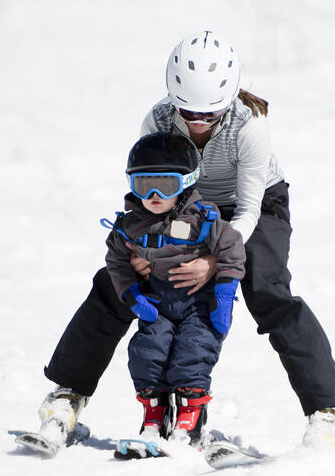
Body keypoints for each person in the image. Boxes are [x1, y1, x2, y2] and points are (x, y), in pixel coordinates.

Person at [37, 30, 335, 448]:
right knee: (118, 285)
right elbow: (149, 189)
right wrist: (139, 249)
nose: (199, 121)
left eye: (210, 113)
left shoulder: (250, 125)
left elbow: (247, 209)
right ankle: (68, 395)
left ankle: (329, 410)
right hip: (180, 202)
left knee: (266, 288)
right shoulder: (157, 120)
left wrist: (214, 261)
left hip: (253, 205)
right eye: (189, 112)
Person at [103, 131, 245, 445]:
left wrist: (224, 293)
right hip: (157, 305)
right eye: (143, 185)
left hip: (198, 306)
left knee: (192, 355)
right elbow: (115, 258)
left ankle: (189, 419)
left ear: (186, 183)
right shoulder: (130, 226)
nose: (153, 194)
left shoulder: (202, 220)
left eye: (165, 185)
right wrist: (131, 293)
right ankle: (155, 413)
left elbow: (233, 247)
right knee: (146, 354)